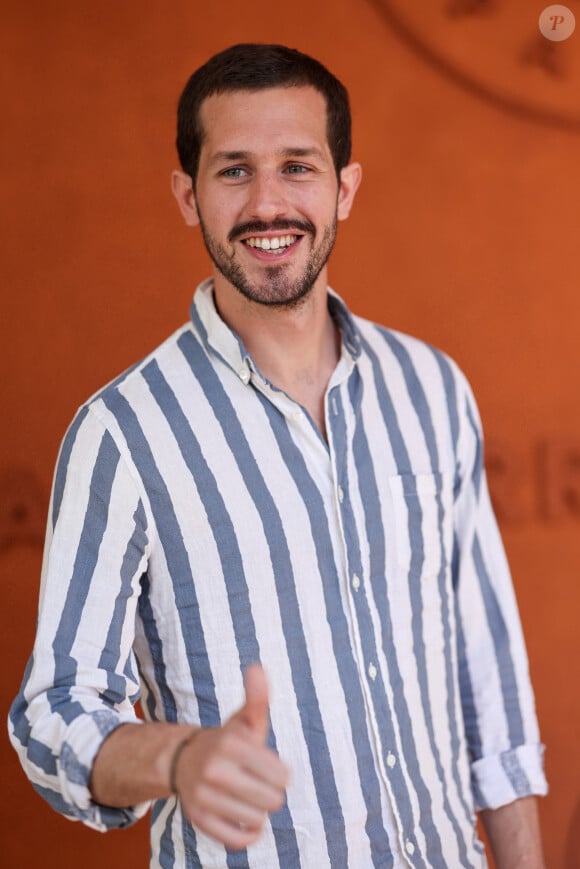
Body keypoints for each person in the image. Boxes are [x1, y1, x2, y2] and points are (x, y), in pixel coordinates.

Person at [9, 43, 547, 868]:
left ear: (345, 188)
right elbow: (54, 713)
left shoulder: (433, 389)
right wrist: (180, 758)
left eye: (297, 167)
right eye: (234, 172)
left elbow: (493, 702)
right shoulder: (123, 431)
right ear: (188, 196)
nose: (268, 204)